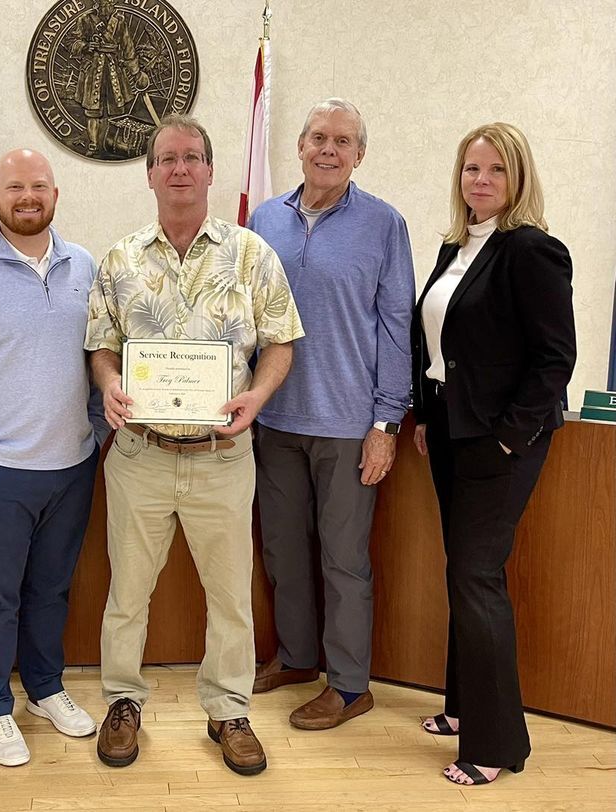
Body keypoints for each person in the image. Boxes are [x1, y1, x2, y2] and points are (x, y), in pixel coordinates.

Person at [86, 114, 304, 776]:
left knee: (231, 596)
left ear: (210, 170)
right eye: (166, 159)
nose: (179, 168)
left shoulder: (251, 254)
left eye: (192, 157)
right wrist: (109, 385)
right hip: (140, 457)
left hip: (223, 458)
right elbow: (102, 345)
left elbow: (281, 343)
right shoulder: (119, 258)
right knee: (128, 593)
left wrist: (258, 398)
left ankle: (228, 711)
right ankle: (123, 702)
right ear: (149, 174)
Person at [0, 148, 108, 767]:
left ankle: (45, 689)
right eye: (14, 188)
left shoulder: (85, 265)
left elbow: (100, 358)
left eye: (38, 186)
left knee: (52, 591)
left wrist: (93, 437)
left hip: (73, 465)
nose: (27, 196)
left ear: (55, 194)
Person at [411, 123, 575, 786]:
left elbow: (555, 359)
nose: (480, 181)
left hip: (501, 441)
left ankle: (497, 744)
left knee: (477, 577)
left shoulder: (532, 250)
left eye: (495, 171)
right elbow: (437, 344)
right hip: (451, 429)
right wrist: (427, 416)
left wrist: (512, 434)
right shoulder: (457, 244)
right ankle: (461, 709)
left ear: (518, 179)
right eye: (471, 169)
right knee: (461, 570)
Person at [246, 98, 415, 729]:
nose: (328, 149)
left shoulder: (383, 224)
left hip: (348, 426)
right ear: (299, 145)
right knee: (283, 551)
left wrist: (385, 422)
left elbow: (397, 327)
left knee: (345, 562)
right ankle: (295, 658)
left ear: (359, 155)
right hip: (274, 421)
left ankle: (348, 685)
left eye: (342, 141)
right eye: (319, 137)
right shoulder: (265, 218)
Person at [70, 0, 147, 156]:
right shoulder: (85, 19)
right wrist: (86, 46)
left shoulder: (120, 21)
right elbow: (73, 42)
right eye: (103, 3)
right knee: (92, 110)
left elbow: (128, 49)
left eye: (109, 3)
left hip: (114, 71)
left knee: (117, 109)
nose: (106, 7)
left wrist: (136, 73)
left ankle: (116, 141)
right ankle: (93, 145)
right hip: (92, 70)